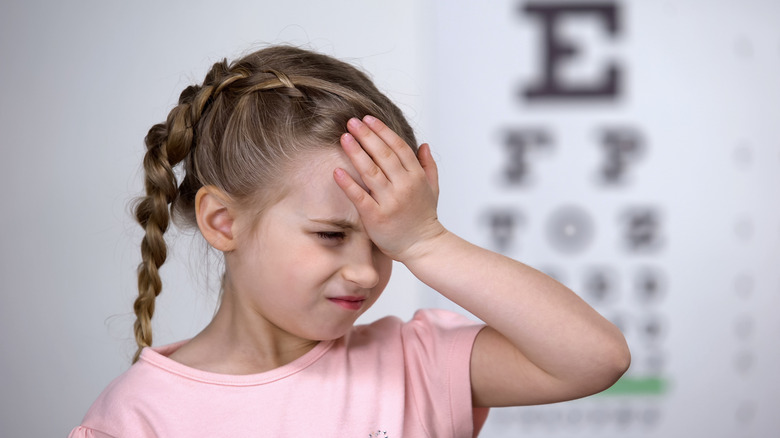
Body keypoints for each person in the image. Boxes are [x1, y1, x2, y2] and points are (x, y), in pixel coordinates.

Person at [69, 45, 630, 438]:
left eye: (386, 241)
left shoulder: (415, 367)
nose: (366, 271)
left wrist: (427, 242)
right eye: (332, 234)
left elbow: (595, 359)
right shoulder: (137, 421)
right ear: (222, 222)